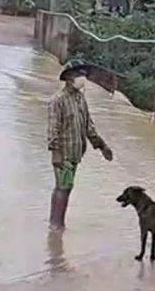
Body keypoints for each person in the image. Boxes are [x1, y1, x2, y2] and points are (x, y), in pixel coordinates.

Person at [47, 59, 113, 231]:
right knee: (63, 187)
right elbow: (53, 129)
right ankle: (56, 225)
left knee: (65, 187)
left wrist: (102, 146)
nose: (83, 78)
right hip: (64, 153)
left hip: (76, 153)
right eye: (79, 75)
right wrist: (56, 153)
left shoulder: (80, 99)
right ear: (69, 78)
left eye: (84, 75)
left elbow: (88, 127)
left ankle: (56, 222)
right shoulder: (58, 100)